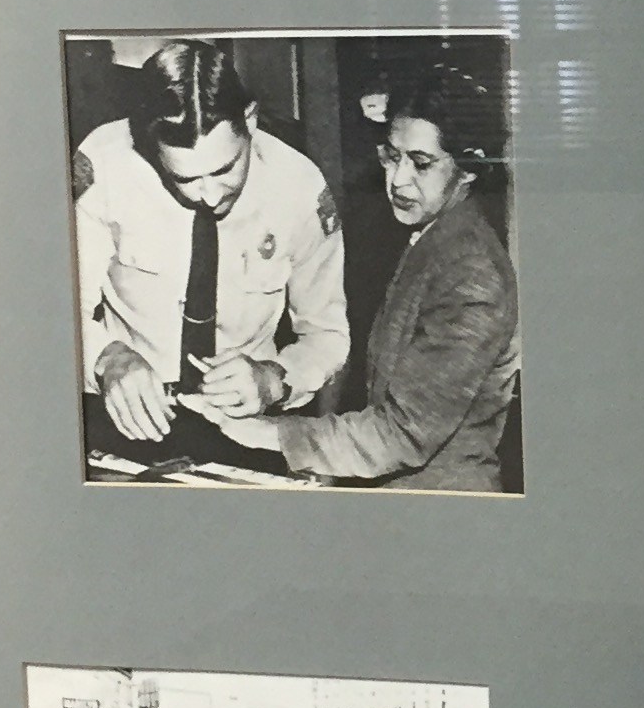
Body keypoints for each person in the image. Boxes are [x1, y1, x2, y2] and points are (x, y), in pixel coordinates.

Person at [214, 61, 520, 490]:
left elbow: (404, 433)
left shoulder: (472, 276)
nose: (398, 180)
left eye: (421, 163)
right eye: (392, 157)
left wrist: (269, 433)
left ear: (469, 168)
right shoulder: (428, 240)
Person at [73, 39, 349, 471]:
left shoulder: (299, 188)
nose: (209, 195)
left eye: (225, 169)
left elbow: (328, 336)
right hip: (123, 420)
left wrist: (274, 378)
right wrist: (107, 358)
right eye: (184, 178)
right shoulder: (105, 164)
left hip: (247, 428)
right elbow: (51, 311)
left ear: (250, 120)